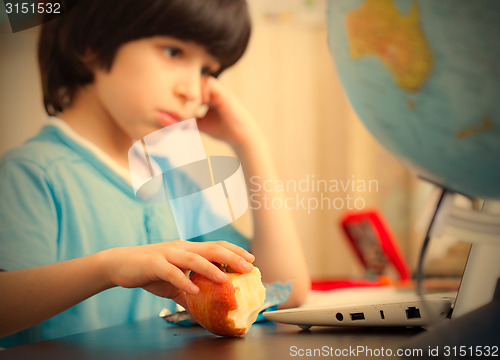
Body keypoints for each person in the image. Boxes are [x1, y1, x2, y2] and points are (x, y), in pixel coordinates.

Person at [0, 0, 310, 348]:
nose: (193, 91)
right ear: (90, 43)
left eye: (208, 71)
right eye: (174, 52)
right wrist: (110, 267)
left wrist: (250, 144)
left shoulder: (172, 180)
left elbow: (287, 289)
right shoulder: (33, 173)